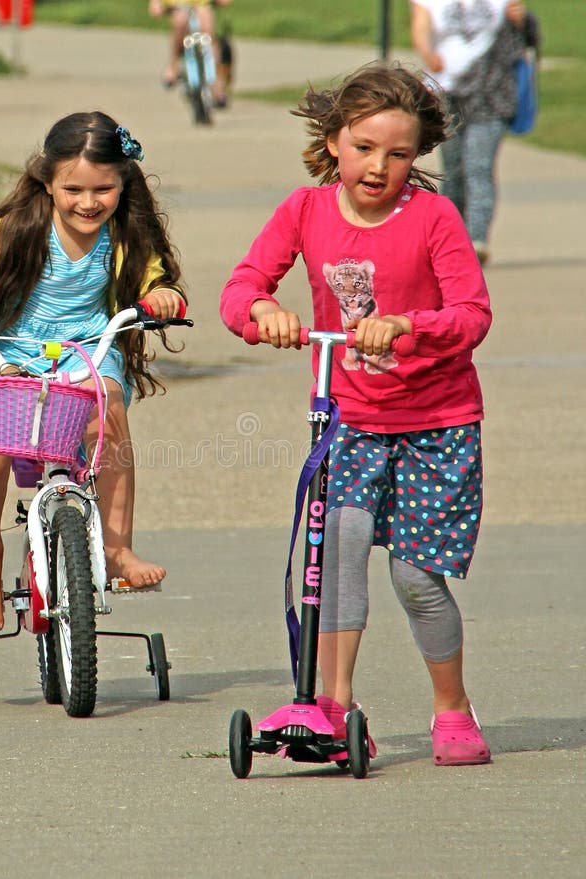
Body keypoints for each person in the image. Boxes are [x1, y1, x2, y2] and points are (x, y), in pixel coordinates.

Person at [220, 63, 493, 766]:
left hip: (438, 424)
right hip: (353, 421)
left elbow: (471, 314)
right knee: (333, 557)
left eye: (398, 154)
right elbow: (243, 285)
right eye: (365, 147)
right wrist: (264, 311)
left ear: (417, 154)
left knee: (413, 575)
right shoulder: (305, 211)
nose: (379, 166)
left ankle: (452, 707)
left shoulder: (434, 217)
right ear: (335, 140)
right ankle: (331, 707)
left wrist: (408, 326)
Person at [0, 112, 186, 632]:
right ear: (48, 182)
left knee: (107, 410)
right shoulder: (17, 232)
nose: (88, 202)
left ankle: (119, 546)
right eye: (73, 188)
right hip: (5, 351)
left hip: (85, 349)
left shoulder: (124, 237)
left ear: (123, 183)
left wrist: (160, 295)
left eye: (103, 189)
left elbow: (152, 279)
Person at [410, 0, 532, 264]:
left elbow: (524, 35)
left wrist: (520, 20)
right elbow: (420, 28)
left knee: (479, 165)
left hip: (492, 93)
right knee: (453, 170)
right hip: (445, 93)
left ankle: (477, 239)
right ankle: (448, 240)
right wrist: (427, 52)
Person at [148, 0, 233, 107]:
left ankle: (215, 83)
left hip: (202, 4)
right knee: (180, 22)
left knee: (207, 29)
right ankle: (173, 65)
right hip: (178, 4)